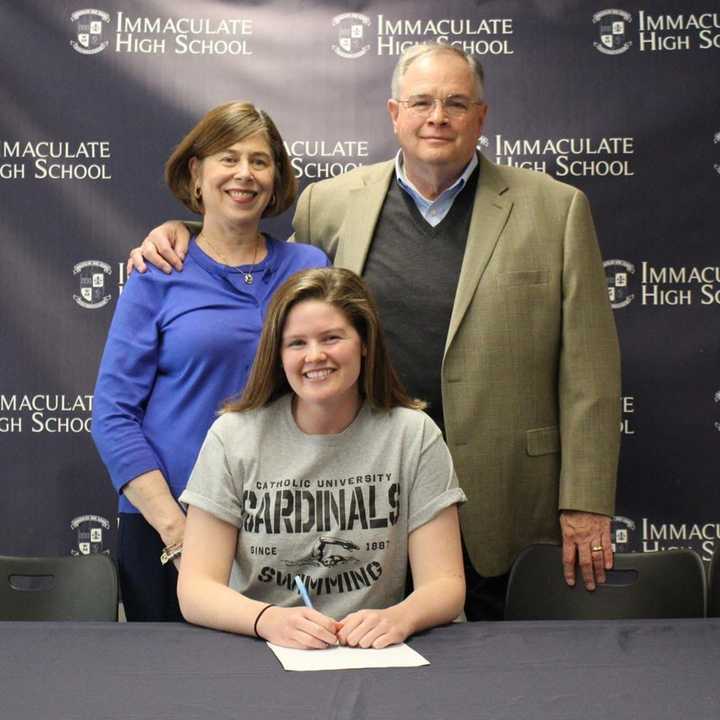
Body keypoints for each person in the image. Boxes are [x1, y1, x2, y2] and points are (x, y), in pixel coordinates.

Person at [130, 44, 621, 620]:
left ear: (481, 117)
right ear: (394, 113)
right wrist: (184, 231)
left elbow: (591, 367)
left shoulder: (555, 209)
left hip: (505, 495)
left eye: (456, 103)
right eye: (421, 102)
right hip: (361, 503)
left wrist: (584, 502)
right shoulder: (329, 204)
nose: (437, 116)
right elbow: (266, 264)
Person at [91, 101, 329, 621]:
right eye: (228, 158)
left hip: (282, 525)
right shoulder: (157, 271)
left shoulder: (309, 269)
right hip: (166, 527)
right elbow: (112, 415)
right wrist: (178, 533)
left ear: (277, 179)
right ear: (197, 173)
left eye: (260, 161)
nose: (244, 173)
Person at [177, 267, 466, 648]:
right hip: (259, 647)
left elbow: (446, 584)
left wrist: (400, 618)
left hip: (373, 652)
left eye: (332, 338)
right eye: (297, 343)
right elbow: (196, 588)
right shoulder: (233, 437)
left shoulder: (413, 435)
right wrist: (266, 620)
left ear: (365, 342)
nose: (315, 356)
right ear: (277, 354)